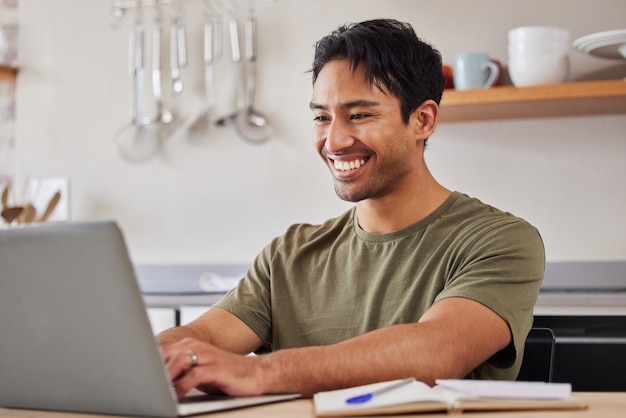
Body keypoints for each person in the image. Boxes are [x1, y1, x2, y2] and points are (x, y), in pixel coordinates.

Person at [158, 19, 545, 398]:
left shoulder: (501, 241)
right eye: (322, 117)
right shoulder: (290, 253)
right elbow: (205, 336)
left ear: (423, 120)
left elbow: (436, 352)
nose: (334, 140)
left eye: (359, 115)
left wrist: (258, 371)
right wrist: (158, 356)